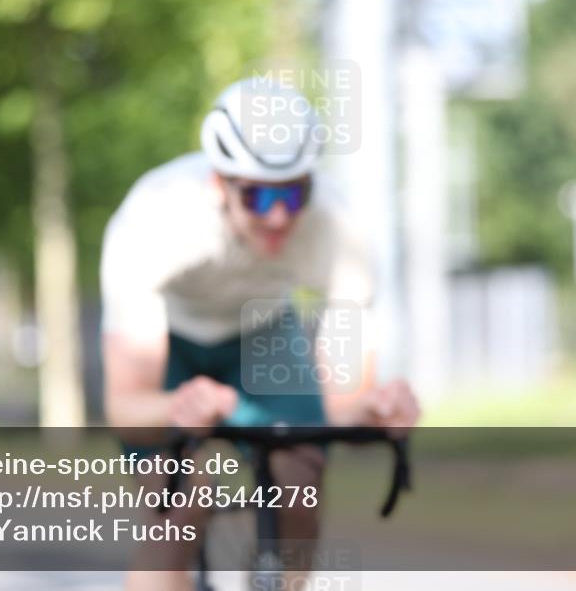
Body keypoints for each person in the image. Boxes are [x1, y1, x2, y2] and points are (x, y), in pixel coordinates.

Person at [101, 77, 419, 591]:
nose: (278, 215)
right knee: (179, 505)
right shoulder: (154, 222)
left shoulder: (339, 232)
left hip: (262, 329)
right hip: (169, 341)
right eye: (257, 194)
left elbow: (343, 405)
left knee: (301, 480)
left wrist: (374, 411)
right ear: (219, 184)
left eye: (294, 192)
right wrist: (174, 408)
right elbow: (128, 410)